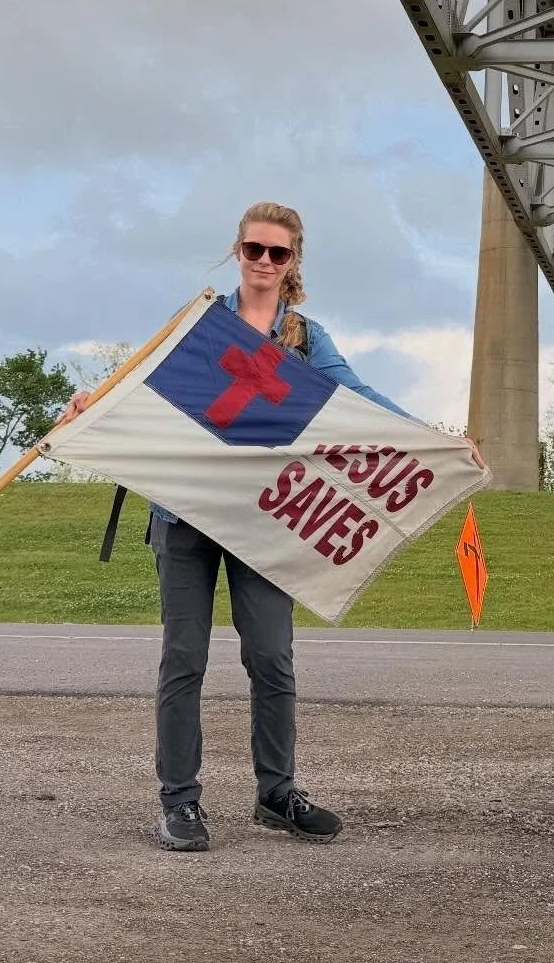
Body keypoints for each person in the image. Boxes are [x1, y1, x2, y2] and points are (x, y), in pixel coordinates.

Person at [58, 200, 482, 853]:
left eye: (276, 253)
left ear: (293, 263)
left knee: (271, 658)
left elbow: (358, 398)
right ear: (237, 252)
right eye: (253, 250)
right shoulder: (202, 321)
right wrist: (91, 402)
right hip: (185, 515)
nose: (262, 262)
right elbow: (140, 380)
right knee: (184, 659)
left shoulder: (306, 340)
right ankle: (179, 804)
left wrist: (437, 439)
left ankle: (276, 794)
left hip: (262, 521)